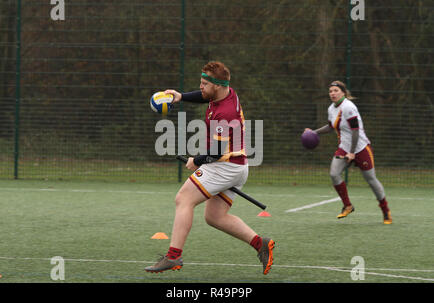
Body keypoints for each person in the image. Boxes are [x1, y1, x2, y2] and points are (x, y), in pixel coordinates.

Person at [145, 61, 275, 274]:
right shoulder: (225, 92)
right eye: (201, 82)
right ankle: (260, 244)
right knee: (215, 217)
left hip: (224, 166)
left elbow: (215, 153)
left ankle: (173, 257)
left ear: (217, 85)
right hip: (237, 165)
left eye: (205, 83)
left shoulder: (225, 113)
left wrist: (195, 160)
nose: (201, 86)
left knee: (183, 199)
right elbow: (203, 96)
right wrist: (181, 96)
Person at [304, 80, 392, 224]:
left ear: (343, 92)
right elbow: (330, 126)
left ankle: (385, 210)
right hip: (344, 147)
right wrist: (313, 132)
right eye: (331, 91)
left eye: (336, 91)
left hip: (360, 148)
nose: (332, 93)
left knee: (371, 180)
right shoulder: (331, 108)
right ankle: (348, 205)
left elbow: (355, 130)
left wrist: (352, 153)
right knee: (334, 174)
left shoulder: (348, 107)